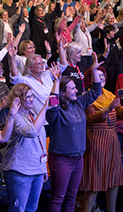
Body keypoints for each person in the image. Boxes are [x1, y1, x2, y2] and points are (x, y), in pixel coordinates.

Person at [46, 53, 102, 211]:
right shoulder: (56, 110)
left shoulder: (78, 102)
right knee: (58, 197)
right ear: (62, 92)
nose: (77, 90)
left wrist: (95, 71)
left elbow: (96, 92)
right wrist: (56, 81)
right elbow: (52, 104)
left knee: (72, 195)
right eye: (72, 88)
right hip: (62, 159)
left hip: (78, 158)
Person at [80, 66, 123, 212]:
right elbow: (91, 118)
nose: (101, 78)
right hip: (96, 141)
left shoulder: (109, 95)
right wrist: (108, 108)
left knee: (113, 181)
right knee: (94, 184)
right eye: (98, 75)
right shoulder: (87, 96)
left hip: (112, 140)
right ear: (91, 79)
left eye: (103, 75)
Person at [2, 82, 49, 211]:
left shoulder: (32, 114)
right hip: (20, 171)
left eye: (32, 96)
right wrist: (44, 108)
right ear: (18, 99)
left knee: (32, 209)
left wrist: (43, 167)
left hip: (37, 170)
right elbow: (32, 132)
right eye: (27, 97)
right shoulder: (15, 118)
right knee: (18, 209)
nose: (31, 99)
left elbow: (41, 142)